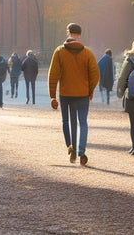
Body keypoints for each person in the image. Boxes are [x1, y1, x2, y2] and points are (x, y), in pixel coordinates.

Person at [48, 23, 100, 166]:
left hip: (66, 94)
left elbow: (53, 74)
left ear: (68, 33)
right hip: (83, 94)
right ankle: (81, 151)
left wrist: (53, 95)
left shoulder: (59, 52)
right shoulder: (87, 53)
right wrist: (90, 89)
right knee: (82, 122)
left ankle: (70, 146)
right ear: (80, 34)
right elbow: (95, 74)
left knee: (66, 121)